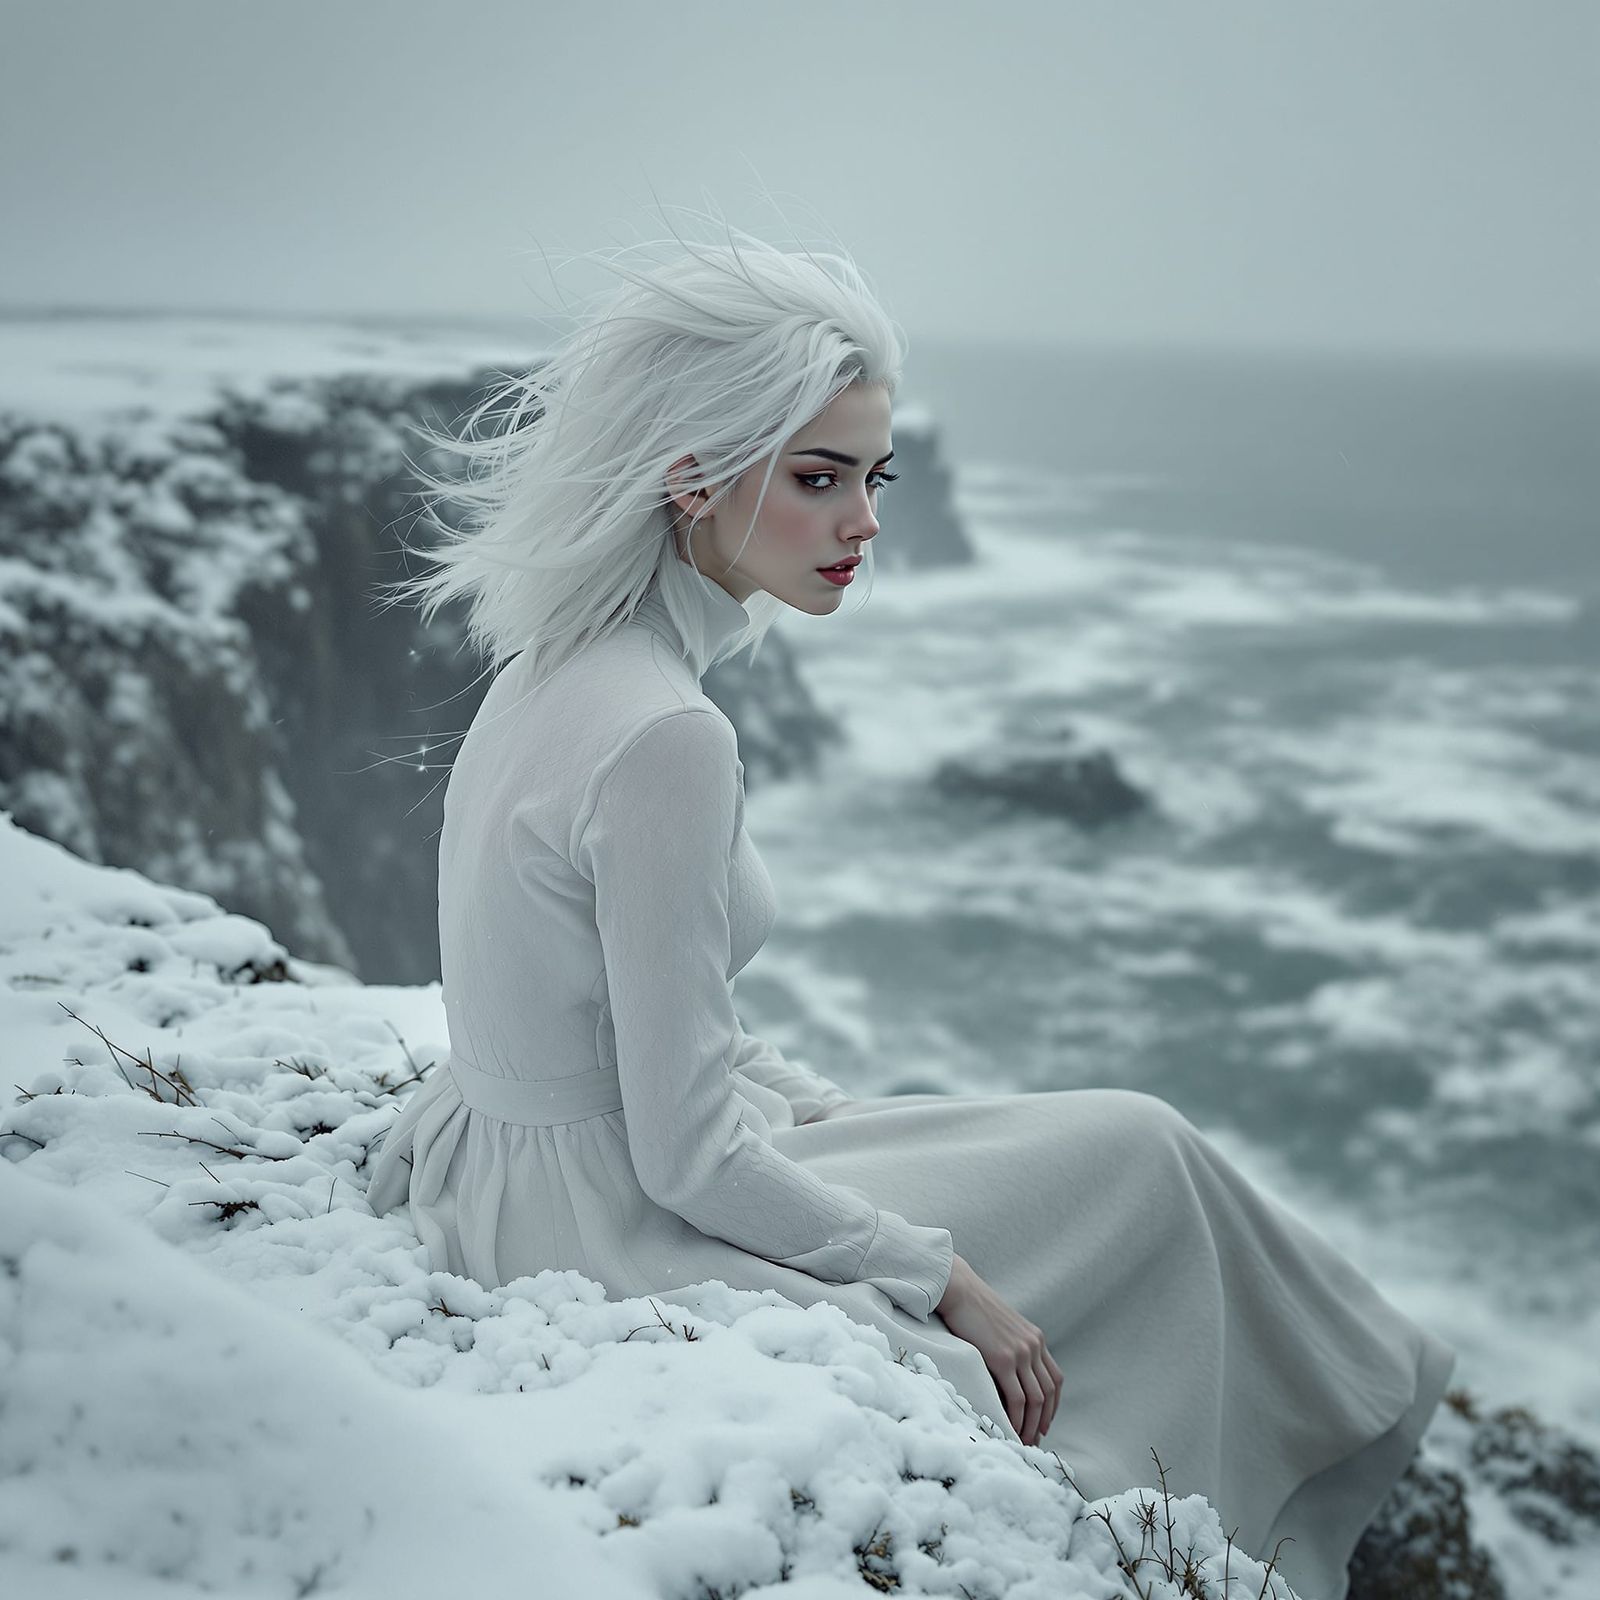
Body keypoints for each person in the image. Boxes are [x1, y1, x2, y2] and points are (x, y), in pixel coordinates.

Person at [365, 216, 1454, 1600]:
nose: (868, 522)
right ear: (690, 478)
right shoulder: (667, 737)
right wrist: (944, 1278)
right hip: (607, 1220)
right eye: (820, 479)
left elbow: (610, 1017)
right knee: (1147, 1153)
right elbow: (687, 1157)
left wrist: (805, 1105)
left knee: (1120, 1142)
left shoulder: (558, 655)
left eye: (874, 477)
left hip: (511, 1162)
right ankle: (1324, 1477)